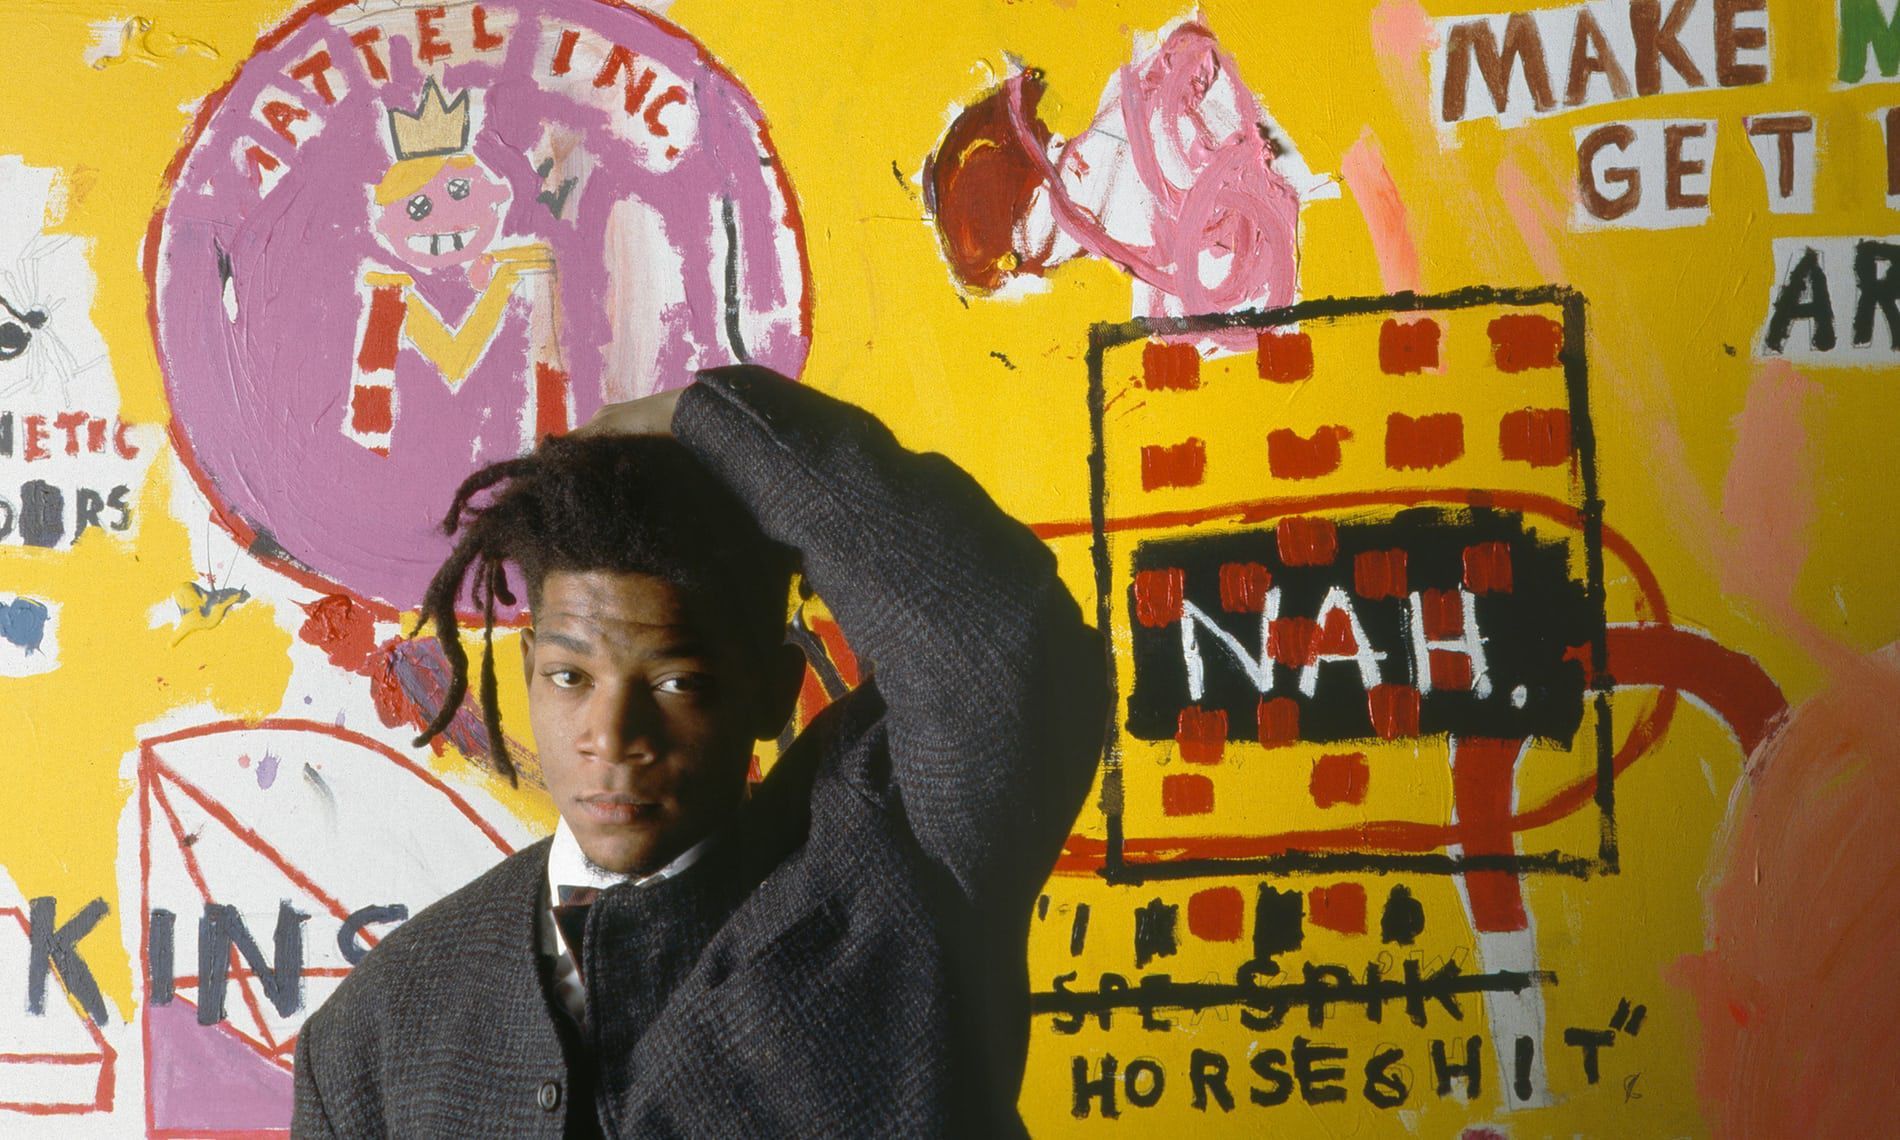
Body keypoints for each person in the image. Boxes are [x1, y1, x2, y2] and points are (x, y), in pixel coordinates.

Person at [292, 365, 1107, 1137]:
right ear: (531, 667)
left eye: (677, 682)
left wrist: (715, 422)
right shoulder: (374, 1034)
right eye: (571, 677)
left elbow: (999, 642)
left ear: (773, 689)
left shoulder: (895, 866)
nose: (613, 737)